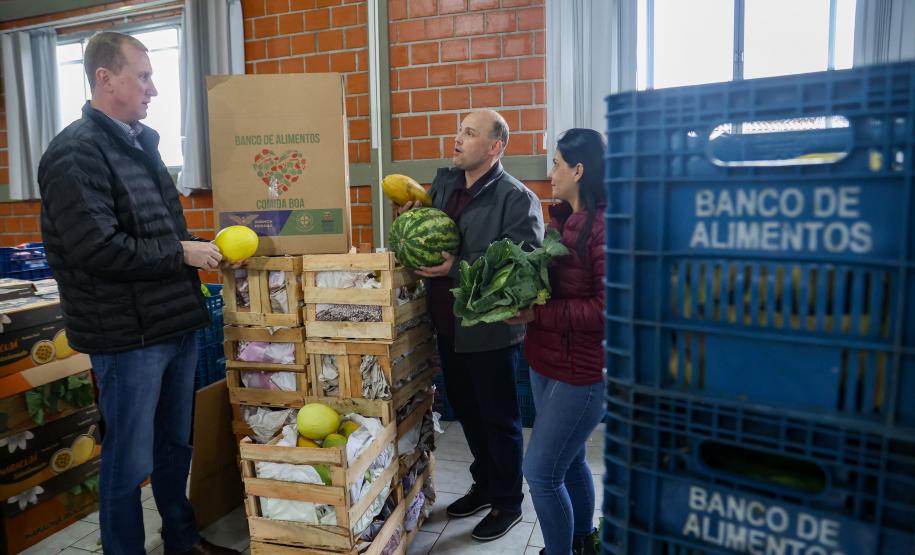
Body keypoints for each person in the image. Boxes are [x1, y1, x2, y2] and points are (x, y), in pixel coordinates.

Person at [38, 32, 239, 555]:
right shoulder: (73, 154)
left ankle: (181, 540)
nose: (153, 90)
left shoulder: (141, 143)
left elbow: (165, 231)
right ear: (105, 79)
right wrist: (181, 254)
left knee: (175, 446)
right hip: (126, 337)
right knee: (127, 463)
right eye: (144, 76)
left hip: (173, 323)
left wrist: (203, 246)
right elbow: (97, 248)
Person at [399, 110, 544, 541]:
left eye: (469, 132)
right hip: (447, 325)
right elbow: (429, 233)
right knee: (467, 415)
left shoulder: (517, 199)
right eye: (459, 130)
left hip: (490, 329)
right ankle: (485, 486)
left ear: (495, 147)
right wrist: (407, 218)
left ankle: (508, 502)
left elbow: (520, 270)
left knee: (499, 419)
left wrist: (456, 268)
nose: (457, 138)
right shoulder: (444, 185)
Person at [508, 129, 606, 555]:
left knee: (541, 472)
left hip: (581, 373)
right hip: (547, 361)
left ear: (578, 169)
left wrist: (537, 313)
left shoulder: (605, 228)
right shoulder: (564, 218)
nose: (550, 173)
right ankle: (583, 542)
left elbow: (608, 310)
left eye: (557, 164)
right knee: (571, 461)